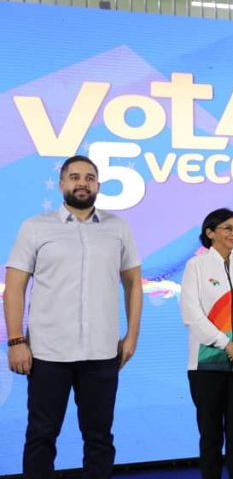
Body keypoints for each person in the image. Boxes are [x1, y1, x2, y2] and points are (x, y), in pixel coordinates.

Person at [4, 154, 143, 478]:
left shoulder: (118, 228)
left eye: (89, 178)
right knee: (41, 436)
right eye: (75, 177)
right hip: (48, 353)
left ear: (98, 185)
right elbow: (14, 288)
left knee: (99, 438)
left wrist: (132, 336)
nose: (83, 183)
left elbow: (134, 284)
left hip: (102, 353)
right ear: (62, 183)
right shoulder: (35, 227)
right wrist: (15, 340)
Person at [180, 208, 233, 479]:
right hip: (207, 365)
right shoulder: (196, 266)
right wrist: (225, 344)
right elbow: (191, 314)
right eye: (227, 228)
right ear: (210, 233)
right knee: (211, 435)